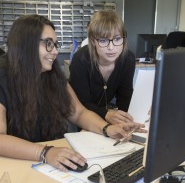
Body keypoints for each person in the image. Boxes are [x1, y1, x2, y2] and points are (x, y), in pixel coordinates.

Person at [0, 14, 145, 173]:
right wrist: (44, 152)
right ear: (25, 44)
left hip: (51, 159)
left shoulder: (51, 74)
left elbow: (79, 113)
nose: (55, 51)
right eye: (48, 44)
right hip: (19, 163)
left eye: (55, 44)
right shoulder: (3, 75)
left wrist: (106, 128)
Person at [69, 10, 135, 125]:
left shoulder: (127, 58)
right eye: (103, 41)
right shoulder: (80, 60)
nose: (111, 47)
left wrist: (124, 121)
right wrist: (106, 114)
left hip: (108, 113)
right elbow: (82, 103)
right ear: (93, 41)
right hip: (82, 115)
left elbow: (125, 96)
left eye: (117, 39)